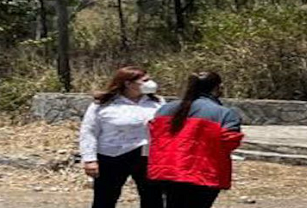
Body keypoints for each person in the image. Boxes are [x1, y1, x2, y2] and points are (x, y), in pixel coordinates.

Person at [147, 71, 243, 208]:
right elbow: (230, 142)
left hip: (168, 171)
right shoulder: (224, 113)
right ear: (218, 87)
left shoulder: (164, 109)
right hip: (204, 173)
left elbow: (155, 136)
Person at [79, 66, 164, 208]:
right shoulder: (103, 104)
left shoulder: (157, 102)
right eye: (145, 80)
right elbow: (89, 132)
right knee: (105, 197)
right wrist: (89, 159)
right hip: (113, 156)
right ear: (128, 83)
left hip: (148, 155)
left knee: (153, 197)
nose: (151, 83)